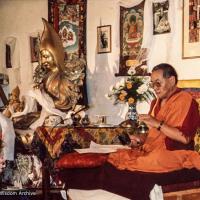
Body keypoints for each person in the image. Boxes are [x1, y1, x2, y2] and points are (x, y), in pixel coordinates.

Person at [108, 63, 200, 172]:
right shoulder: (155, 103)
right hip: (151, 150)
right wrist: (137, 140)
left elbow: (185, 138)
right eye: (152, 84)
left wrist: (157, 123)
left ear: (171, 81)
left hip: (174, 153)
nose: (155, 88)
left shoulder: (185, 100)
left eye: (158, 83)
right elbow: (151, 134)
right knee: (116, 155)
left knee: (155, 159)